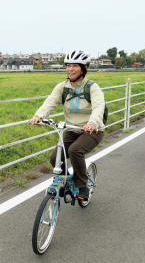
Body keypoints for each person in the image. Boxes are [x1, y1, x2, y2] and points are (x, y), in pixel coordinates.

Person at [28, 49, 105, 200]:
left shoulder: (92, 87)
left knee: (75, 150)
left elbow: (98, 107)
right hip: (71, 129)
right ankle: (68, 181)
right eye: (68, 65)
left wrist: (92, 123)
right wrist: (38, 116)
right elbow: (50, 103)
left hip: (92, 130)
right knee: (55, 158)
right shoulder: (62, 87)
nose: (70, 69)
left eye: (75, 66)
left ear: (84, 68)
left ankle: (82, 186)